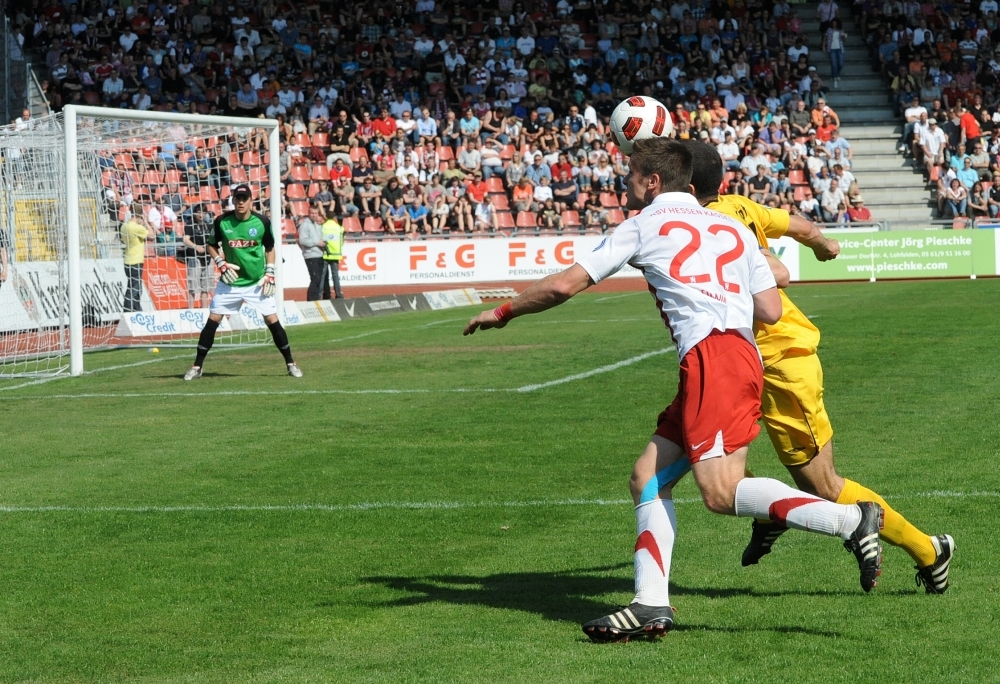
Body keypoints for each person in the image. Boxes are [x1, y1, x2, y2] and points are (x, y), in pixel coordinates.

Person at [463, 138, 886, 643]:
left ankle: (850, 520)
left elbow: (563, 286)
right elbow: (771, 309)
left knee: (720, 492)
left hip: (714, 362)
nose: (626, 184)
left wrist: (503, 311)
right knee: (647, 478)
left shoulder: (643, 225)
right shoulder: (731, 226)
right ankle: (650, 604)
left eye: (632, 176)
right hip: (741, 355)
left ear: (653, 182)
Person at [682, 140, 953, 594]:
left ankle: (929, 549)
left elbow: (776, 272)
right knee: (715, 468)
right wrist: (824, 243)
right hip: (739, 360)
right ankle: (770, 514)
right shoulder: (739, 205)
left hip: (782, 358)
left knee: (823, 484)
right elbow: (798, 225)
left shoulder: (716, 222)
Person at [184, 184, 302, 380]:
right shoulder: (222, 221)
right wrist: (220, 262)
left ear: (250, 201)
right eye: (237, 198)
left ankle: (291, 363)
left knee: (272, 319)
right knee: (213, 320)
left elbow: (270, 248)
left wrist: (270, 272)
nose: (240, 202)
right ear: (233, 200)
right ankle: (197, 366)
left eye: (244, 198)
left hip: (256, 283)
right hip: (229, 282)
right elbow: (211, 245)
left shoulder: (262, 221)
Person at [182, 205, 216, 309]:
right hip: (194, 258)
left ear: (205, 213)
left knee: (206, 287)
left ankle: (204, 309)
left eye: (202, 212)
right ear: (195, 213)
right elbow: (185, 239)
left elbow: (215, 239)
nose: (200, 215)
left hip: (208, 257)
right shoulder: (190, 225)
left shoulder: (209, 225)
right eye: (198, 212)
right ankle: (190, 310)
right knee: (193, 286)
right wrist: (196, 246)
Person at [121, 206, 148, 312]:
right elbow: (152, 234)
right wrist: (145, 221)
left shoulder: (124, 226)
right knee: (133, 289)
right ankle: (127, 311)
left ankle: (137, 310)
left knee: (136, 288)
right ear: (140, 215)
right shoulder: (137, 228)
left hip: (127, 260)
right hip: (136, 261)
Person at [298, 204, 325, 301]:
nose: (314, 215)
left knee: (319, 280)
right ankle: (311, 301)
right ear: (308, 213)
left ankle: (316, 299)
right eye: (312, 213)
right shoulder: (304, 225)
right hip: (310, 255)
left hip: (319, 254)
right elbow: (302, 240)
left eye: (316, 213)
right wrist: (317, 243)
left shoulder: (317, 225)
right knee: (315, 279)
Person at [321, 209, 345, 299]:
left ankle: (322, 294)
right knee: (335, 275)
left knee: (323, 276)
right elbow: (342, 241)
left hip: (325, 254)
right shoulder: (339, 228)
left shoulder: (322, 227)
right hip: (335, 254)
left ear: (325, 217)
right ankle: (338, 294)